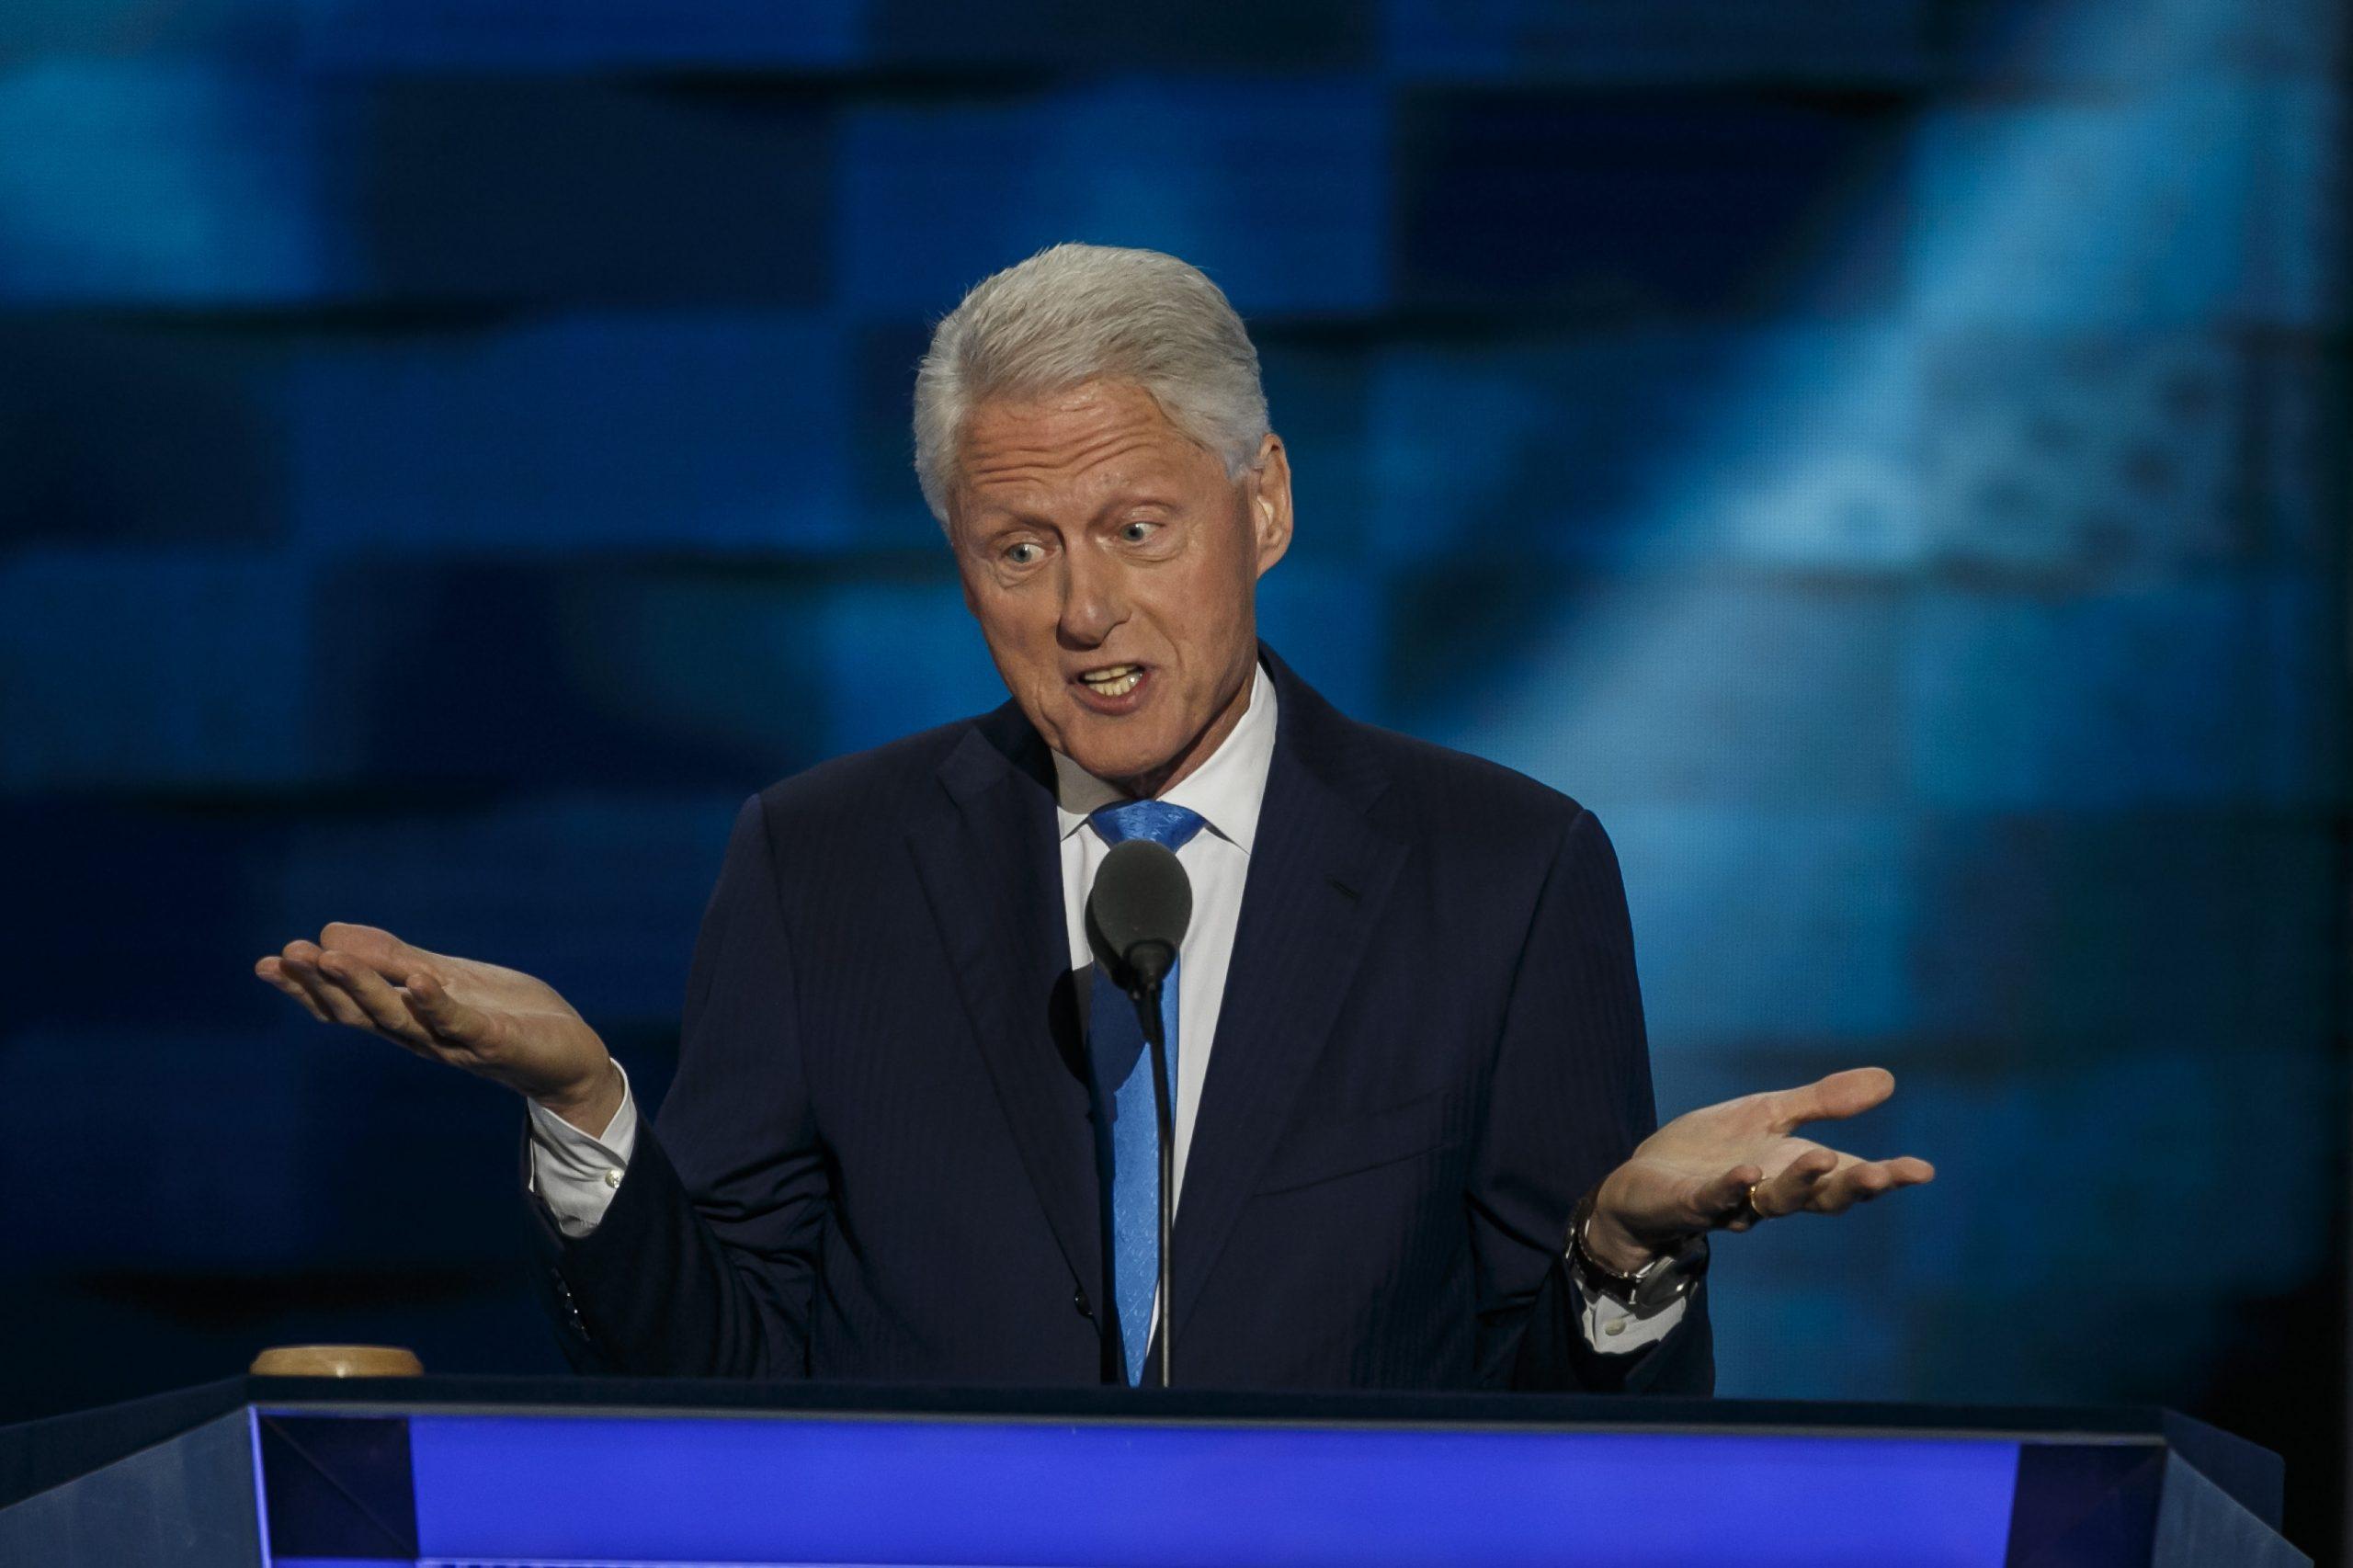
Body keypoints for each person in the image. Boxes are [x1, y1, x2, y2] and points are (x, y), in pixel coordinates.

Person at [256, 244, 1932, 1391]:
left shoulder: (1505, 870)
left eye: (1137, 526)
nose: (1083, 610)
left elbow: (1572, 1453)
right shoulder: (820, 862)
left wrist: (1622, 1255)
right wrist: (590, 1110)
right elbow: (726, 1383)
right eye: (1019, 547)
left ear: (1260, 503)